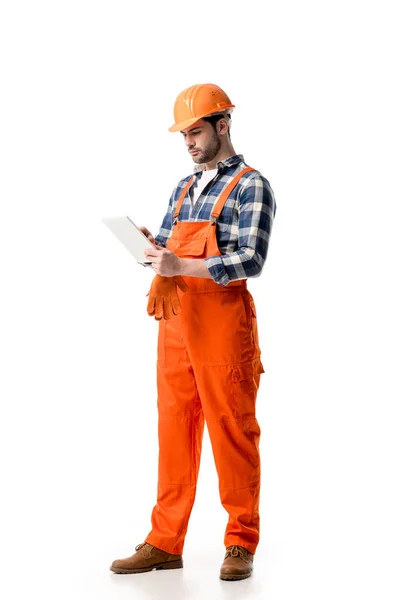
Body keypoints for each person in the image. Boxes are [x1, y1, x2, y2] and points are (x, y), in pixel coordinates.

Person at [110, 83, 277, 581]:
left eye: (196, 130)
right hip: (177, 325)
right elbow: (168, 251)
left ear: (222, 125)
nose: (188, 141)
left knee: (233, 433)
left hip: (225, 327)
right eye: (184, 133)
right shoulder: (183, 187)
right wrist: (151, 249)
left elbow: (252, 260)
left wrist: (179, 260)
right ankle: (165, 541)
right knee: (174, 431)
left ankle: (240, 542)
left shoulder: (251, 185)